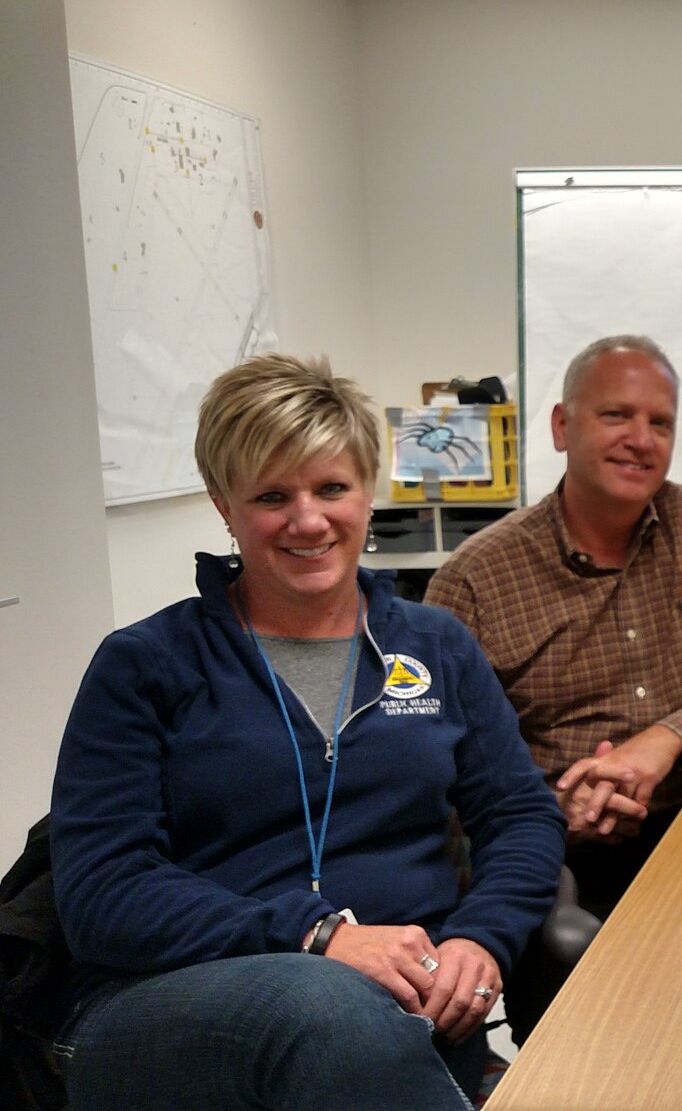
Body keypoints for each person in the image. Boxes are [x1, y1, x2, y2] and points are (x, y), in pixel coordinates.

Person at [49, 354, 565, 1110]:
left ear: (367, 490)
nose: (309, 519)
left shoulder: (436, 646)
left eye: (332, 487)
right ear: (224, 505)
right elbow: (103, 892)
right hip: (170, 1007)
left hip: (400, 1020)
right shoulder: (147, 664)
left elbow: (520, 815)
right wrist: (317, 936)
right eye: (271, 495)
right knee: (328, 1006)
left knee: (365, 1029)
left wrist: (480, 937)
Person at [426, 333, 682, 1044]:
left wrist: (661, 743)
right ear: (563, 427)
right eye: (616, 416)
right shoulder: (477, 577)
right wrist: (552, 812)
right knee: (605, 1034)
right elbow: (436, 774)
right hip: (556, 852)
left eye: (659, 422)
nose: (641, 439)